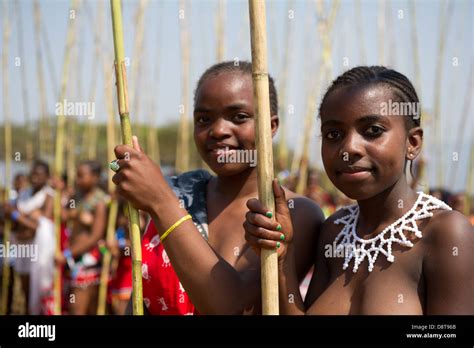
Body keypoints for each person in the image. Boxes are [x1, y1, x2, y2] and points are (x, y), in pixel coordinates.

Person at [244, 66, 474, 314]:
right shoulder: (334, 231)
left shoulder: (446, 232)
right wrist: (281, 259)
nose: (349, 148)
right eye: (333, 134)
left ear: (412, 143)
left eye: (373, 131)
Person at [112, 61, 325, 314]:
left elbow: (234, 306)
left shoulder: (295, 213)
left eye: (239, 117)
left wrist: (161, 201)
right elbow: (142, 300)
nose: (219, 130)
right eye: (204, 119)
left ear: (271, 126)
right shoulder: (180, 192)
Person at [55, 160, 108, 315]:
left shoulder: (100, 202)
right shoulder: (77, 196)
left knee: (77, 308)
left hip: (87, 259)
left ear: (95, 177)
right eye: (77, 176)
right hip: (72, 257)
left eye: (81, 176)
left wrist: (67, 254)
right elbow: (63, 215)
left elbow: (95, 236)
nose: (78, 180)